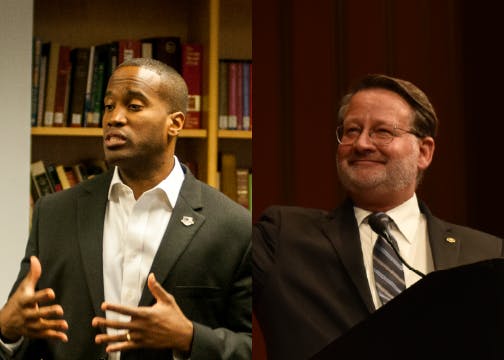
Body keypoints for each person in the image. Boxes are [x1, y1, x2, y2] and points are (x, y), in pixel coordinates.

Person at [0, 58, 252, 359]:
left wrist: (190, 338)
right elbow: (27, 329)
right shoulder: (54, 214)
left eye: (133, 106)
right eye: (108, 106)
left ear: (176, 123)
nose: (113, 118)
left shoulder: (233, 226)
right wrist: (6, 331)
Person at [253, 73, 503, 360]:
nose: (361, 144)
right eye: (351, 130)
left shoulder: (487, 255)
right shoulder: (283, 238)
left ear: (424, 152)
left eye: (382, 132)